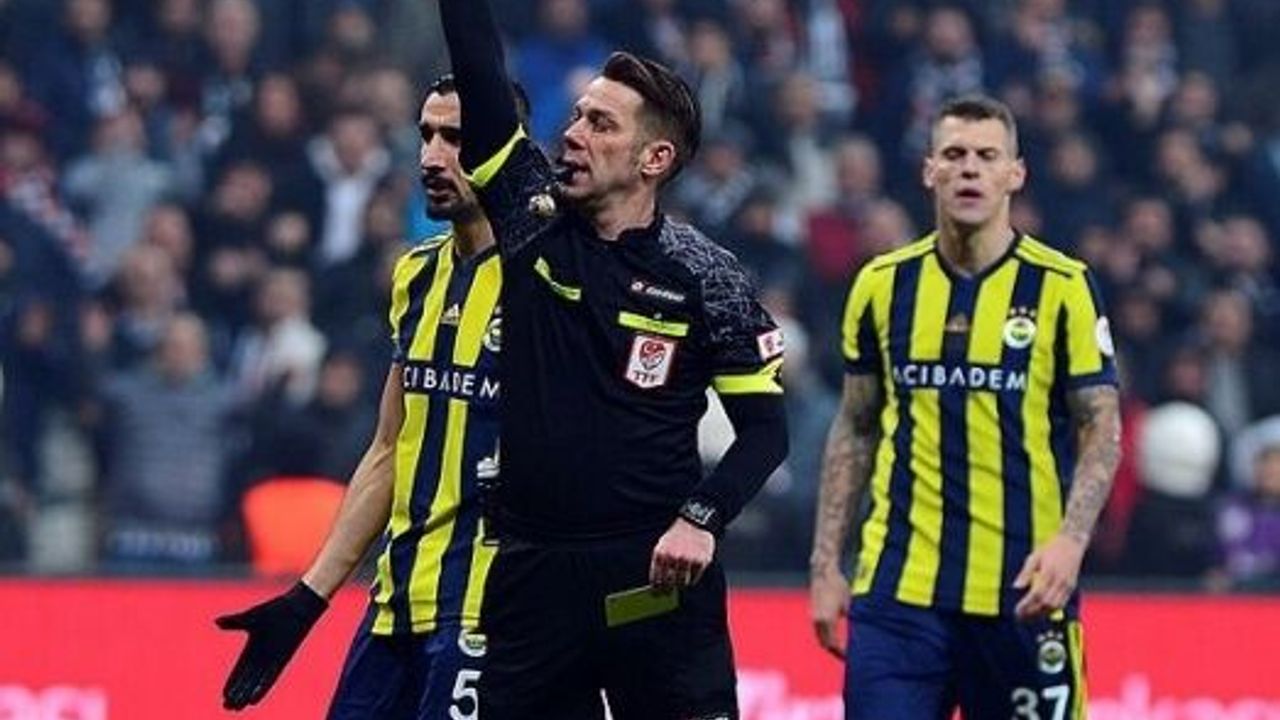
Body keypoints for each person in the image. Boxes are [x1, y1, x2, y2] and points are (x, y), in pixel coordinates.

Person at [437, 0, 790, 717]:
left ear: (654, 159)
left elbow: (765, 432)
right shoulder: (528, 218)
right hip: (533, 576)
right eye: (576, 117)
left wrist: (702, 518)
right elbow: (478, 66)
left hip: (655, 572)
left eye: (600, 124)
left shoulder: (706, 276)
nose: (572, 134)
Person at [215, 74, 528, 718]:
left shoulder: (546, 282)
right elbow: (389, 448)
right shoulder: (417, 274)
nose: (431, 157)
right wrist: (307, 599)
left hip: (488, 612)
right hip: (394, 606)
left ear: (503, 148)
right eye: (426, 135)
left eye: (455, 139)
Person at [809, 95, 1121, 720]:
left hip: (1024, 590)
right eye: (953, 154)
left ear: (1015, 174)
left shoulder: (1062, 286)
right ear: (930, 170)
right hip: (898, 594)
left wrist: (1071, 542)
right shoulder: (882, 285)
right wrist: (825, 563)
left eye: (987, 156)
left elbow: (1101, 426)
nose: (970, 168)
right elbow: (856, 426)